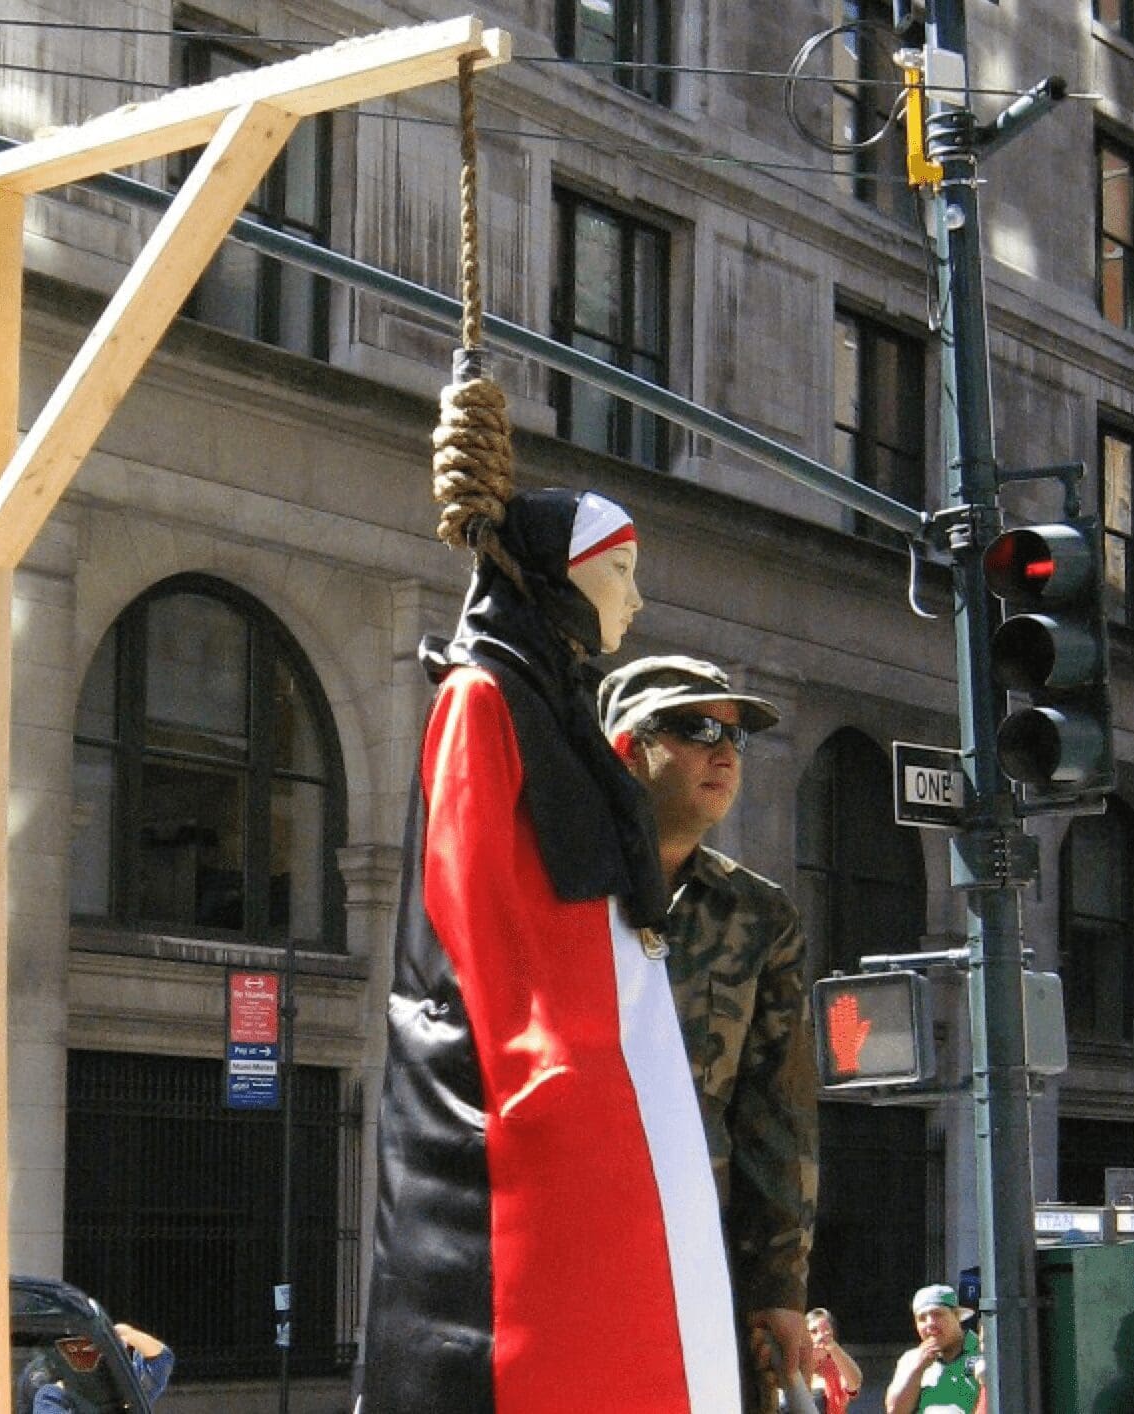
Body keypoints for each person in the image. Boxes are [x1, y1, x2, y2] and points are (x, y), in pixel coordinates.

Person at [361, 488, 741, 1414]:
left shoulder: (557, 704)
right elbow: (469, 894)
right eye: (618, 572)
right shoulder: (481, 695)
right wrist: (537, 1064)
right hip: (538, 1072)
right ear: (556, 577)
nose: (634, 599)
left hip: (599, 1060)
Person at [598, 655, 818, 1402]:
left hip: (699, 1262)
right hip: (574, 1243)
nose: (724, 753)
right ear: (628, 747)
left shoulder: (760, 915)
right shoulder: (555, 886)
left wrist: (780, 1288)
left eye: (736, 737)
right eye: (696, 730)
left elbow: (776, 1112)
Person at [25, 1324, 172, 1413]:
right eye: (71, 1349)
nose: (81, 1356)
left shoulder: (125, 1387)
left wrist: (127, 1334)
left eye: (89, 1348)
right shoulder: (53, 1396)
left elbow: (161, 1359)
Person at [884, 1285, 983, 1414]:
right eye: (922, 1318)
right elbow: (894, 1411)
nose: (930, 1323)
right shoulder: (910, 1359)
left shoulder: (984, 1351)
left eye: (937, 1314)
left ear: (956, 1316)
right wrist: (917, 1369)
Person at [807, 1308, 863, 1414]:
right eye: (813, 1331)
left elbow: (855, 1385)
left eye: (826, 1332)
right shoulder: (794, 1363)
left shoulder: (837, 1366)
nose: (820, 1337)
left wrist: (832, 1346)